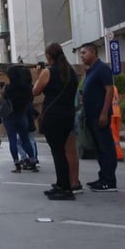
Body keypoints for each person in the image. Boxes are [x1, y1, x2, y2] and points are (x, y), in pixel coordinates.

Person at [33, 43, 79, 200]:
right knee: (61, 151)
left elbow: (35, 91)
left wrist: (38, 74)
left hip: (53, 116)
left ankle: (65, 188)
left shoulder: (48, 72)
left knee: (58, 152)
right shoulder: (70, 72)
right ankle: (61, 184)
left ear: (48, 56)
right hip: (68, 115)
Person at [79, 43, 118, 192]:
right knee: (98, 148)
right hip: (91, 115)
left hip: (99, 115)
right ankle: (103, 177)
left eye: (84, 53)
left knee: (105, 147)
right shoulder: (91, 70)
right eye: (81, 53)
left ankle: (109, 181)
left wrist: (104, 113)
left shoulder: (103, 69)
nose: (82, 56)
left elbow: (109, 91)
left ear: (94, 52)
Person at [2, 66, 38, 173]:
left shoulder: (8, 88)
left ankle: (17, 164)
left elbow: (2, 100)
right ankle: (33, 161)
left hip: (9, 117)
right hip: (22, 115)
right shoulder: (26, 88)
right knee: (25, 139)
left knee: (12, 141)